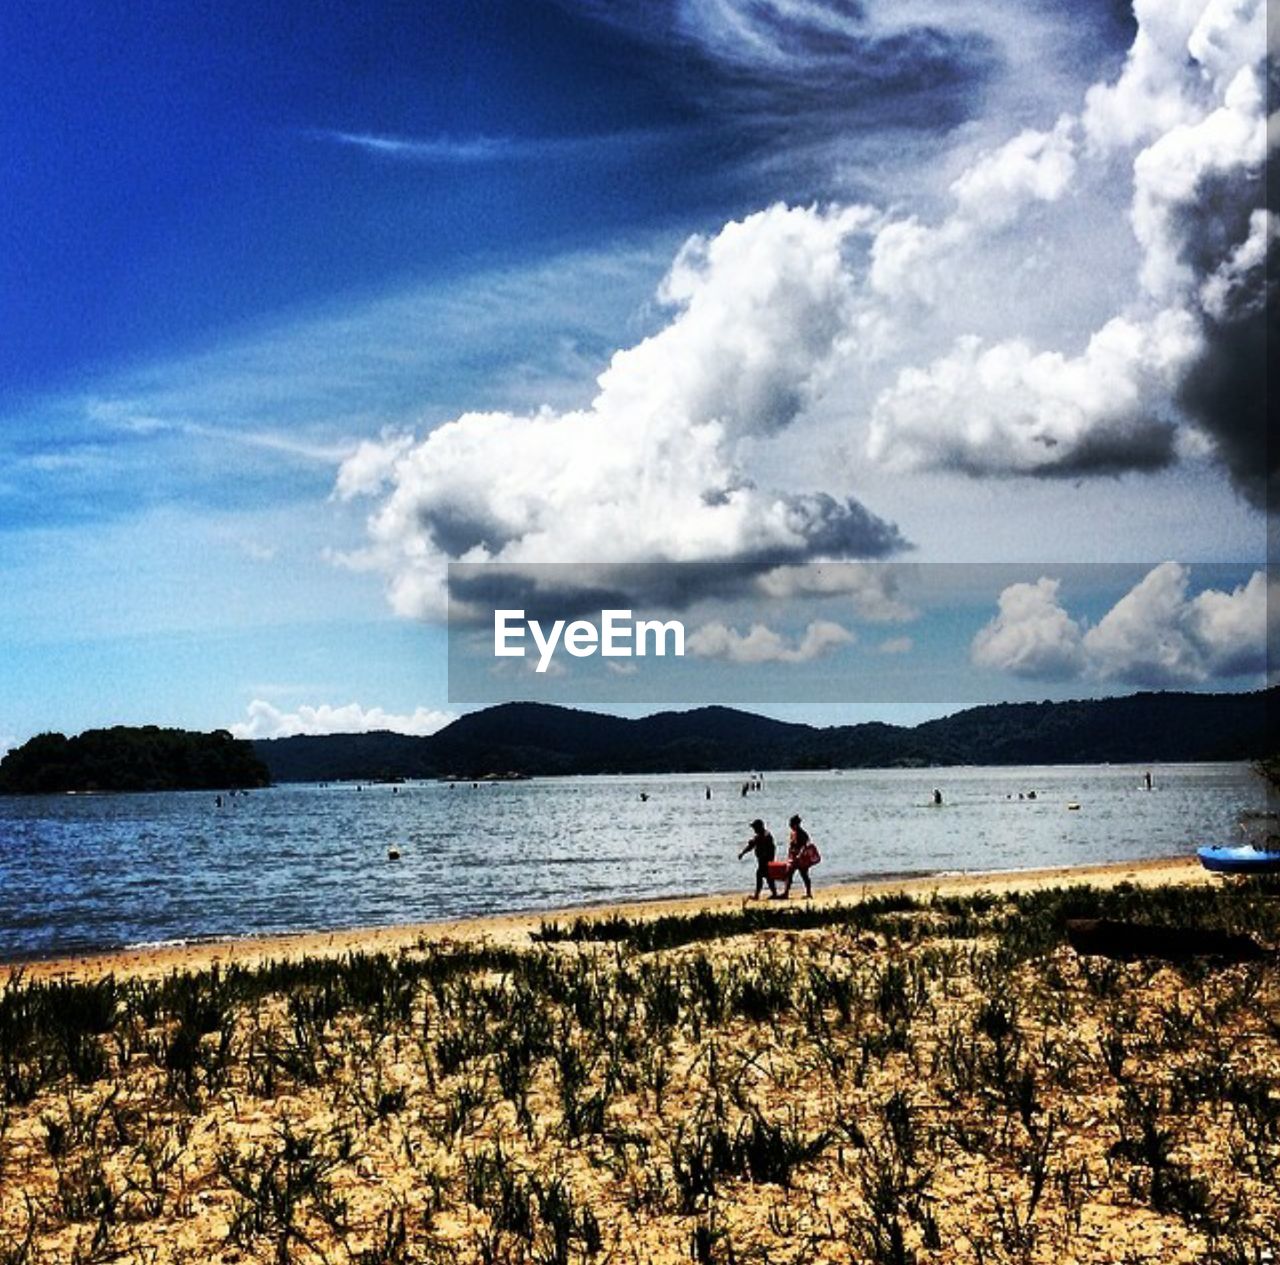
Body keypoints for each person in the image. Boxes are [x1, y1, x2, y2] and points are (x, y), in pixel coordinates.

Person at [738, 818, 779, 899]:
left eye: (754, 828)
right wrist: (743, 853)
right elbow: (751, 846)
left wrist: (768, 858)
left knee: (761, 876)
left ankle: (758, 895)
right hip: (763, 860)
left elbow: (772, 848)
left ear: (759, 827)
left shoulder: (766, 836)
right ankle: (773, 893)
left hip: (766, 861)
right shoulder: (760, 836)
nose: (754, 829)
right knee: (768, 877)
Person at [784, 814, 817, 899]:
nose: (790, 825)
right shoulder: (793, 833)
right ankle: (786, 892)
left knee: (804, 875)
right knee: (789, 874)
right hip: (794, 857)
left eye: (791, 824)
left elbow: (805, 846)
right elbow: (791, 846)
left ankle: (808, 893)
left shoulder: (802, 833)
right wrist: (789, 856)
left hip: (801, 859)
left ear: (796, 824)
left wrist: (799, 855)